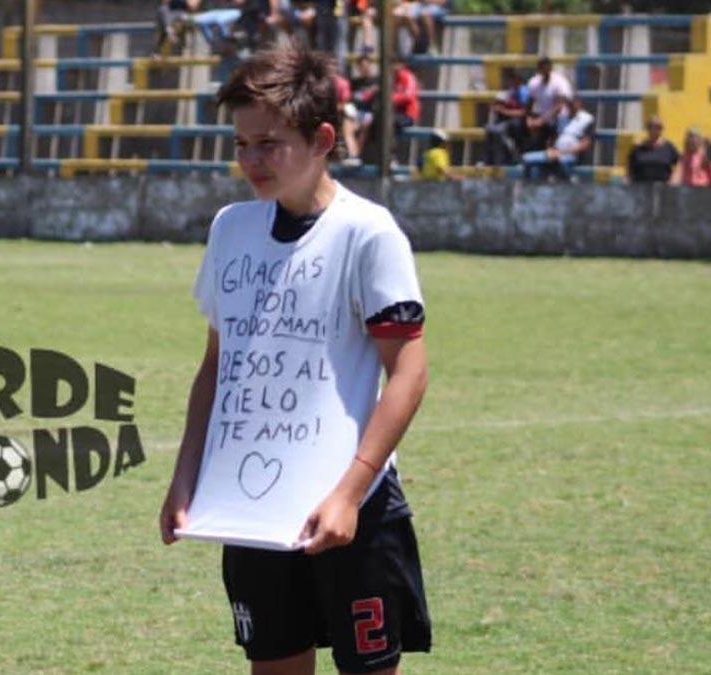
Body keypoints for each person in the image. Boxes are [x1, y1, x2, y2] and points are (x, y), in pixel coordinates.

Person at [160, 45, 431, 675]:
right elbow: (215, 368)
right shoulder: (231, 228)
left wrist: (349, 493)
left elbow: (410, 373)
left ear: (323, 138)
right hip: (252, 508)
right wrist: (186, 476)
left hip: (353, 509)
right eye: (241, 144)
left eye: (269, 143)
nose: (251, 160)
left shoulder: (369, 233)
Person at [522, 96, 594, 181]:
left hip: (571, 156)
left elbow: (585, 144)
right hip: (555, 153)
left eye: (573, 103)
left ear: (579, 104)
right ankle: (529, 186)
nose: (571, 106)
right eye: (569, 104)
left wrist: (562, 152)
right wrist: (550, 149)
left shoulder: (587, 119)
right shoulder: (562, 118)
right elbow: (552, 138)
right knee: (526, 158)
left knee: (562, 162)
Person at [484, 70, 530, 166]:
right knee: (490, 129)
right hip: (509, 120)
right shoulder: (511, 91)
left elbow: (524, 112)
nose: (510, 81)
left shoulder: (524, 92)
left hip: (520, 123)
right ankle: (489, 159)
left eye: (513, 79)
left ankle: (512, 156)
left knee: (500, 130)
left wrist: (504, 111)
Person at [525, 57, 573, 147]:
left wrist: (541, 120)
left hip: (557, 117)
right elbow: (529, 103)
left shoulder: (560, 81)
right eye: (541, 67)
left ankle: (560, 148)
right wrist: (529, 119)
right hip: (540, 115)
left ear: (550, 67)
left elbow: (560, 105)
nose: (543, 69)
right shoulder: (534, 82)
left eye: (545, 66)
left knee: (562, 120)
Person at [626, 116, 679, 183]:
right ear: (647, 129)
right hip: (640, 188)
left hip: (663, 189)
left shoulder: (669, 148)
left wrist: (674, 178)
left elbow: (680, 164)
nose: (654, 130)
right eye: (651, 127)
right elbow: (629, 169)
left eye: (657, 127)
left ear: (661, 129)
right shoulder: (638, 148)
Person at [392, 58, 421, 129]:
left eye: (396, 63)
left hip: (408, 115)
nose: (394, 66)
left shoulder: (408, 76)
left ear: (401, 65)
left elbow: (408, 96)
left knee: (386, 122)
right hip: (396, 113)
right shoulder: (392, 78)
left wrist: (391, 98)